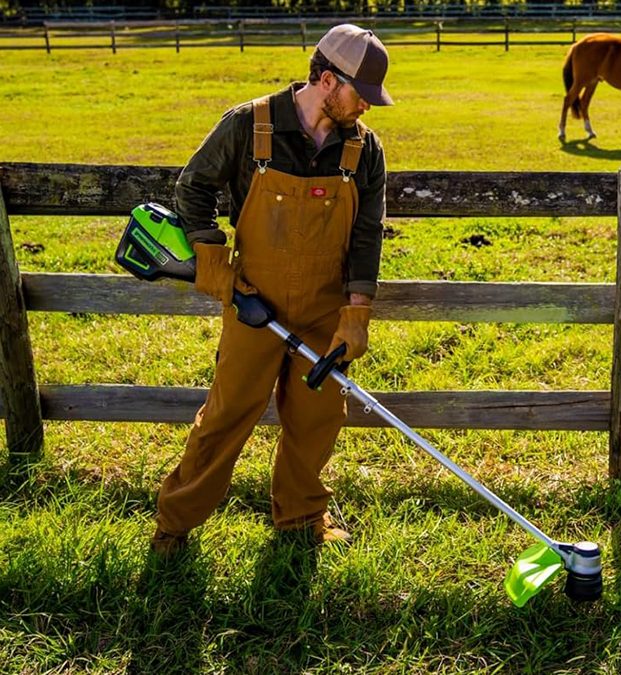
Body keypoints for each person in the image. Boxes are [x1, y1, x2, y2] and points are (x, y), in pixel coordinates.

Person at [151, 24, 392, 555]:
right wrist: (210, 255)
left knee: (317, 419)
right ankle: (176, 522)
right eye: (362, 95)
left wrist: (357, 313)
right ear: (328, 80)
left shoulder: (363, 150)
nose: (367, 108)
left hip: (324, 312)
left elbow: (366, 232)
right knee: (227, 414)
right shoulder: (250, 125)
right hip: (252, 301)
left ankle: (303, 516)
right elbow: (193, 187)